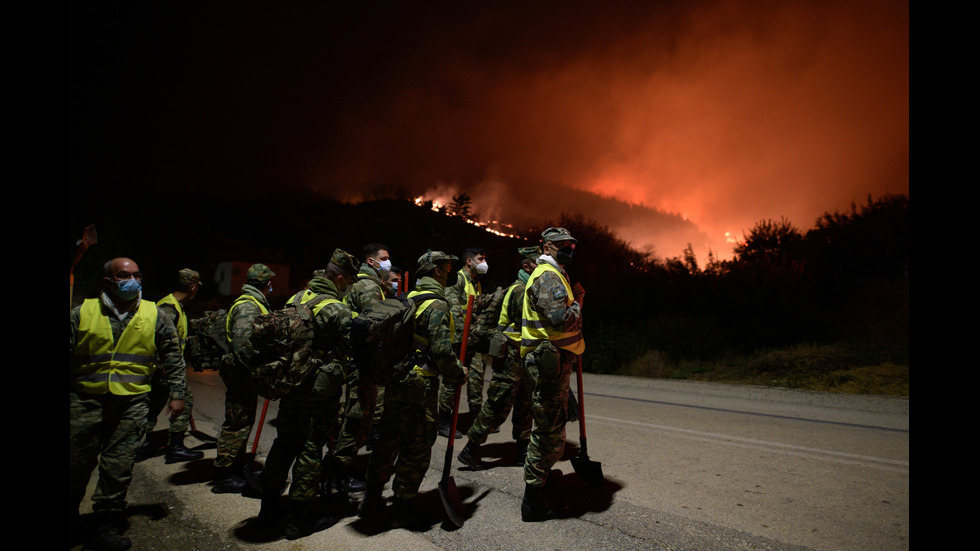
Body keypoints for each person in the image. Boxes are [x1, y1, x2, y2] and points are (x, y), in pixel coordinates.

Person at [71, 257, 188, 551]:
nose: (133, 280)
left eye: (137, 275)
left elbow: (173, 356)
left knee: (118, 467)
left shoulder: (155, 314)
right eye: (125, 276)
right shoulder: (81, 313)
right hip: (84, 402)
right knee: (75, 464)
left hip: (131, 404)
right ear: (108, 281)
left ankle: (105, 525)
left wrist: (178, 394)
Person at [360, 250, 467, 528]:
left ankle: (372, 498)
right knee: (416, 446)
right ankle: (403, 505)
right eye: (445, 267)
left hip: (396, 379)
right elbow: (442, 352)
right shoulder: (437, 305)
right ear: (434, 271)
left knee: (388, 439)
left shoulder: (407, 298)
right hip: (420, 384)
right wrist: (458, 374)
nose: (449, 271)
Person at [258, 249, 358, 539]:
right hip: (319, 391)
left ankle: (268, 509)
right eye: (348, 281)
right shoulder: (336, 309)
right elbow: (352, 349)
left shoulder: (297, 297)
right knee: (310, 449)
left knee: (284, 443)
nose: (348, 286)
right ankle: (299, 519)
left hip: (291, 385)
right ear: (340, 278)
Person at [520, 228, 585, 522]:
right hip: (549, 362)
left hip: (554, 361)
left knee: (552, 424)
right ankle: (533, 502)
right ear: (547, 247)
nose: (570, 249)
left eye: (572, 244)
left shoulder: (556, 273)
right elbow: (560, 318)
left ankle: (542, 481)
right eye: (563, 245)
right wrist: (578, 305)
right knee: (547, 429)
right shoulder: (548, 276)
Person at [458, 247, 539, 470]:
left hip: (524, 354)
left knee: (525, 405)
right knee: (498, 405)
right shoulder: (521, 290)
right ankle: (471, 449)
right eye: (537, 264)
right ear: (526, 266)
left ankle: (522, 450)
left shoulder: (529, 288)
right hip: (512, 355)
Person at [332, 243, 392, 493]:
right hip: (364, 364)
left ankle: (340, 468)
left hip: (359, 361)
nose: (388, 263)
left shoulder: (365, 284)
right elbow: (373, 327)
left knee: (358, 417)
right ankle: (338, 473)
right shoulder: (369, 287)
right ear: (371, 261)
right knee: (358, 419)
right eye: (384, 258)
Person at [212, 263, 275, 494]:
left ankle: (234, 467)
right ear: (266, 283)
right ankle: (225, 474)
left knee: (241, 421)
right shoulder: (249, 306)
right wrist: (260, 368)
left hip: (241, 372)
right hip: (242, 373)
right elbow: (243, 345)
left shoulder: (249, 301)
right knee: (237, 423)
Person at [137, 268, 204, 464]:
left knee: (153, 405)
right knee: (184, 401)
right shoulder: (168, 309)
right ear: (193, 287)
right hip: (164, 368)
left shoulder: (174, 305)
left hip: (161, 368)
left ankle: (144, 444)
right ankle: (175, 447)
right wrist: (167, 370)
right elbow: (159, 342)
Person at [439, 246, 491, 437]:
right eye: (480, 258)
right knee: (453, 380)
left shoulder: (475, 282)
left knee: (476, 379)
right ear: (469, 261)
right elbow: (454, 308)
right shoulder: (458, 280)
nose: (484, 262)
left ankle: (476, 420)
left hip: (473, 340)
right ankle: (444, 421)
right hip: (458, 340)